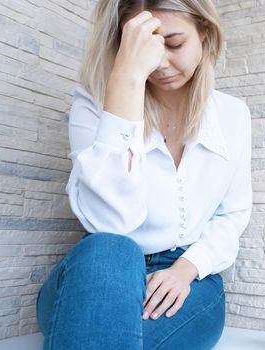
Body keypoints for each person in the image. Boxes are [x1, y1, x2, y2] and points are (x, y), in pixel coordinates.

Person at [35, 1, 252, 349]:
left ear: (205, 33)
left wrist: (186, 268)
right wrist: (127, 78)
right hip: (99, 273)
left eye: (174, 43)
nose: (161, 63)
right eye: (145, 49)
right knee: (112, 248)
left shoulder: (233, 115)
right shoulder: (93, 105)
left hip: (186, 274)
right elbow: (111, 223)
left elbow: (233, 213)